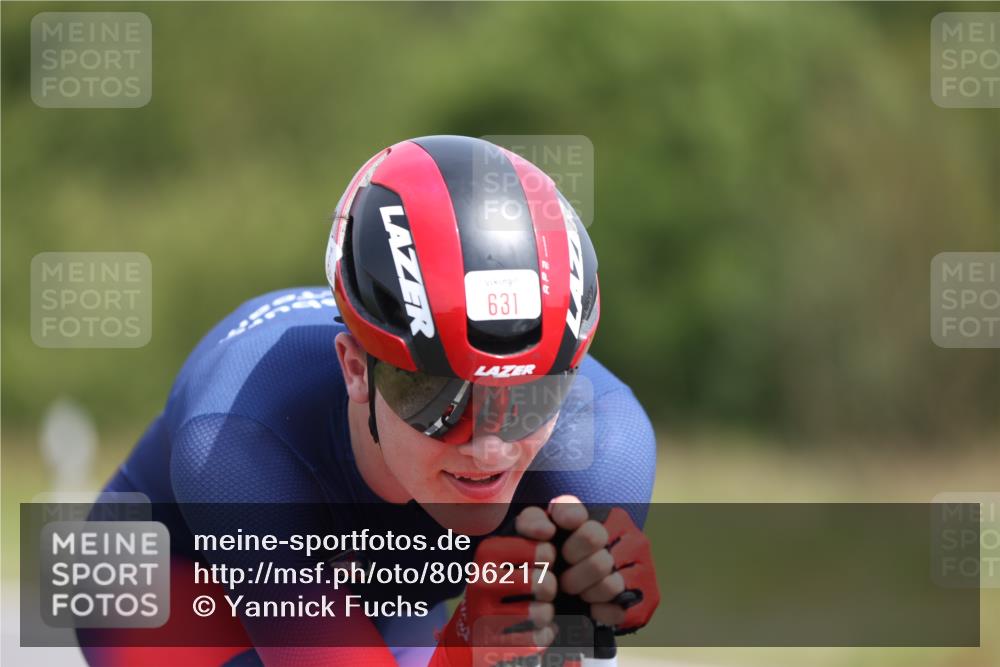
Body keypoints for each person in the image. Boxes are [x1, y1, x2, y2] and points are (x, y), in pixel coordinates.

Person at [78, 135, 659, 667]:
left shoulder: (605, 445)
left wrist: (573, 623)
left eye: (529, 396)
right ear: (356, 369)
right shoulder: (237, 446)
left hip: (377, 595)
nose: (489, 448)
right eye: (440, 398)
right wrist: (462, 650)